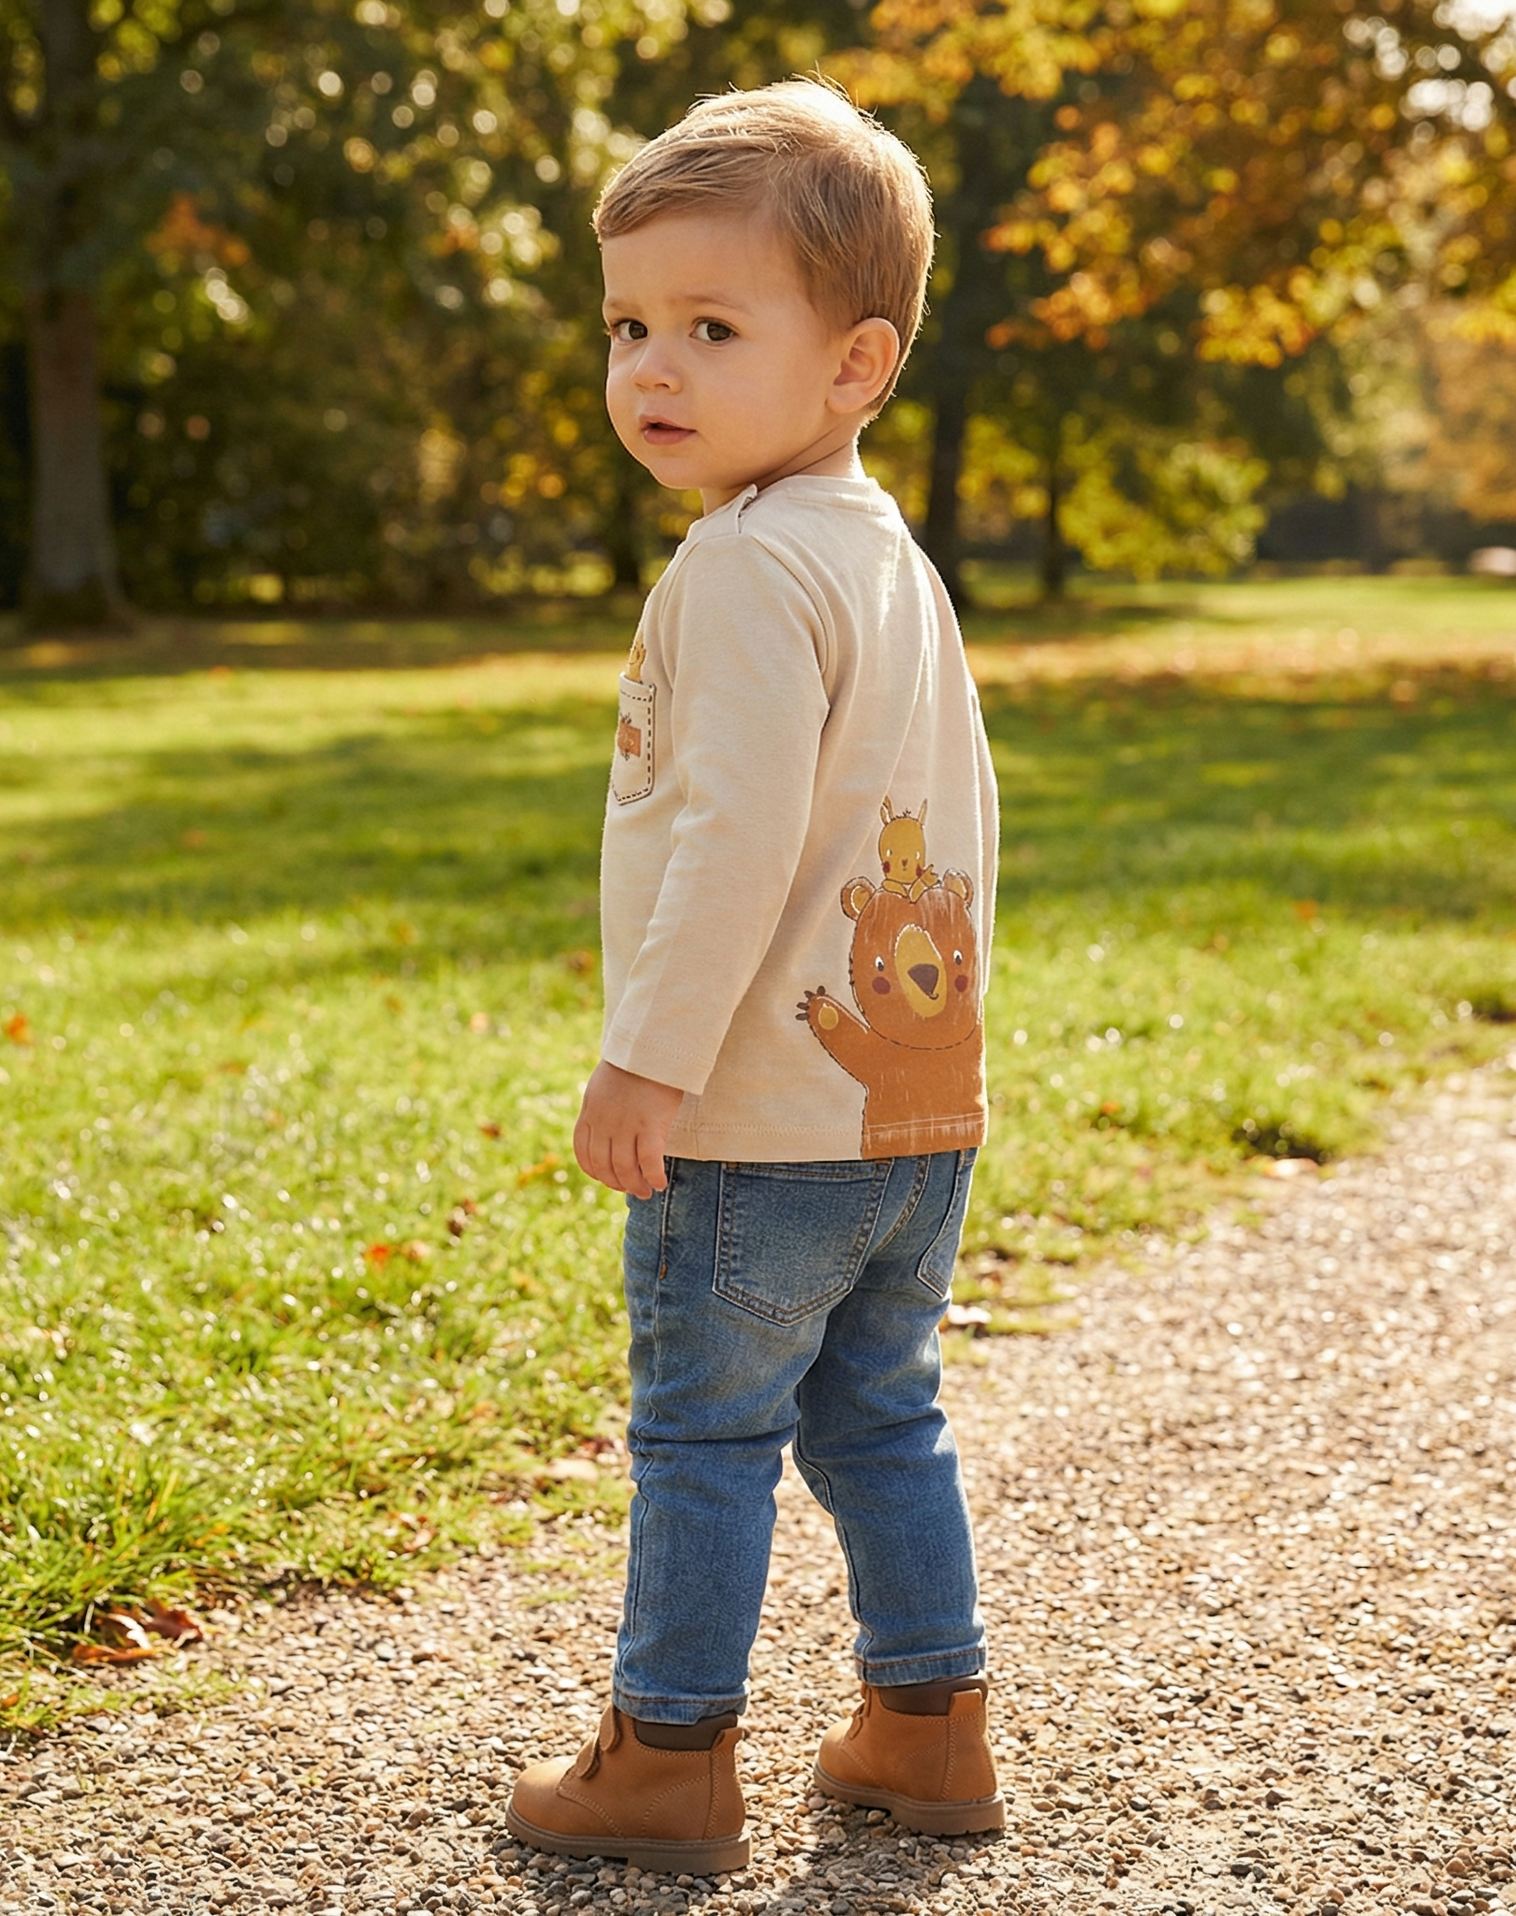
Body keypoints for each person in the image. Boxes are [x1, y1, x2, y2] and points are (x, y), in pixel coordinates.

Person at [505, 77, 1003, 1876]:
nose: (654, 366)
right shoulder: (887, 562)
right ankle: (928, 1726)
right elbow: (950, 819)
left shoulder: (735, 569)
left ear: (857, 364)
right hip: (903, 1112)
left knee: (703, 1435)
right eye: (629, 325)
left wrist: (647, 1059)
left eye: (713, 329)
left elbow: (729, 847)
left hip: (753, 1120)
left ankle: (665, 1756)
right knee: (880, 1416)